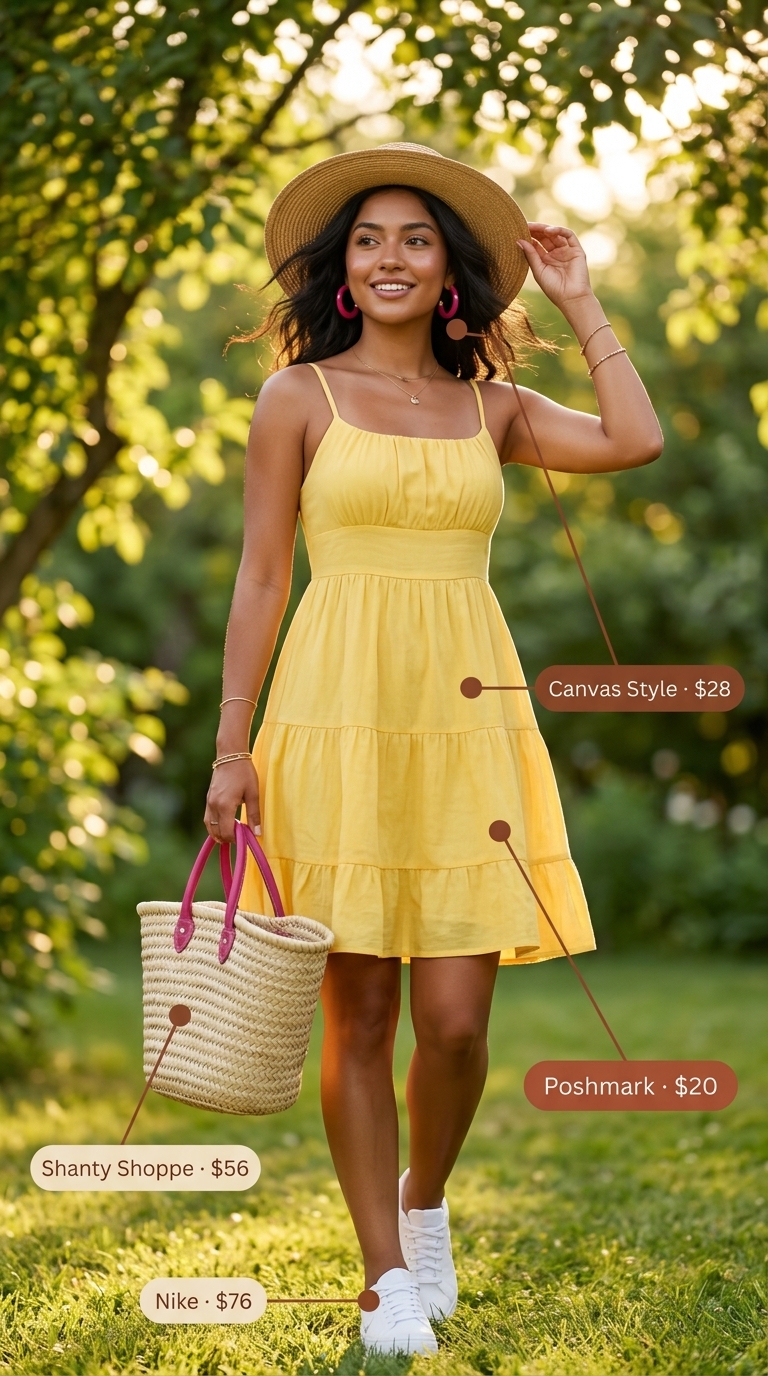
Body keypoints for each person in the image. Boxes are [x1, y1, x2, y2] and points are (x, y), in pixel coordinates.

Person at [204, 143, 663, 1355]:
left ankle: (425, 1199)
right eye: (368, 240)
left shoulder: (490, 407)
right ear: (341, 271)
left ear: (448, 268)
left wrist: (580, 299)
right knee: (359, 1013)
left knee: (456, 1020)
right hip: (333, 717)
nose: (390, 257)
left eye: (414, 237)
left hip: (466, 724)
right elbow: (262, 577)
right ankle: (384, 1277)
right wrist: (231, 747)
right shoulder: (296, 397)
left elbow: (635, 440)